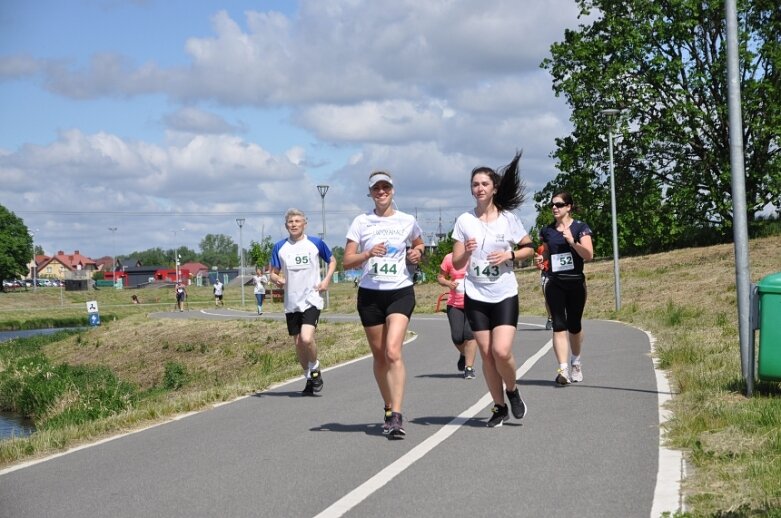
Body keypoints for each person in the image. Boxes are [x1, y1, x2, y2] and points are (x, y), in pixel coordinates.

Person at [451, 151, 535, 428]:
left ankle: (512, 391)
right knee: (487, 354)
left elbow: (529, 247)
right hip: (475, 294)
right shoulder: (464, 221)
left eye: (484, 184)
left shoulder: (508, 219)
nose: (479, 188)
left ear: (494, 188)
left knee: (501, 351)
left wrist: (510, 256)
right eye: (475, 184)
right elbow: (457, 260)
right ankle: (499, 407)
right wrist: (467, 252)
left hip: (504, 293)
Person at [343, 170, 425, 439]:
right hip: (370, 294)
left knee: (392, 352)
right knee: (379, 356)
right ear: (370, 193)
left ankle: (398, 415)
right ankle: (388, 407)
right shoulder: (361, 222)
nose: (381, 192)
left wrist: (417, 253)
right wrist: (368, 253)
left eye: (385, 187)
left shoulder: (407, 220)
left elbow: (419, 243)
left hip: (400, 291)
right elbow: (347, 261)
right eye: (376, 188)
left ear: (392, 190)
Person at [270, 209, 336, 396]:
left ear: (304, 223)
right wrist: (276, 279)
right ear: (286, 225)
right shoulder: (280, 247)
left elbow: (332, 261)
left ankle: (315, 368)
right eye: (291, 221)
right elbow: (273, 272)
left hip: (311, 298)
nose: (294, 224)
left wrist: (326, 280)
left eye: (297, 221)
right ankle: (309, 378)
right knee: (298, 343)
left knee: (307, 338)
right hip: (291, 301)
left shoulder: (315, 243)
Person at [535, 192, 593, 385]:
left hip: (576, 282)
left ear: (569, 206)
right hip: (555, 283)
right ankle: (563, 370)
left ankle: (576, 362)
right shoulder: (547, 231)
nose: (554, 208)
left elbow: (589, 255)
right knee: (559, 326)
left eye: (559, 204)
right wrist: (540, 259)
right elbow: (546, 253)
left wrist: (572, 242)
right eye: (552, 205)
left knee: (574, 326)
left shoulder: (580, 228)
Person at [437, 252, 478, 379]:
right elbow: (440, 277)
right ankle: (465, 354)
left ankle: (469, 368)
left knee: (469, 334)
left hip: (475, 302)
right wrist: (448, 283)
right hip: (455, 304)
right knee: (457, 337)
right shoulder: (449, 258)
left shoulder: (477, 256)